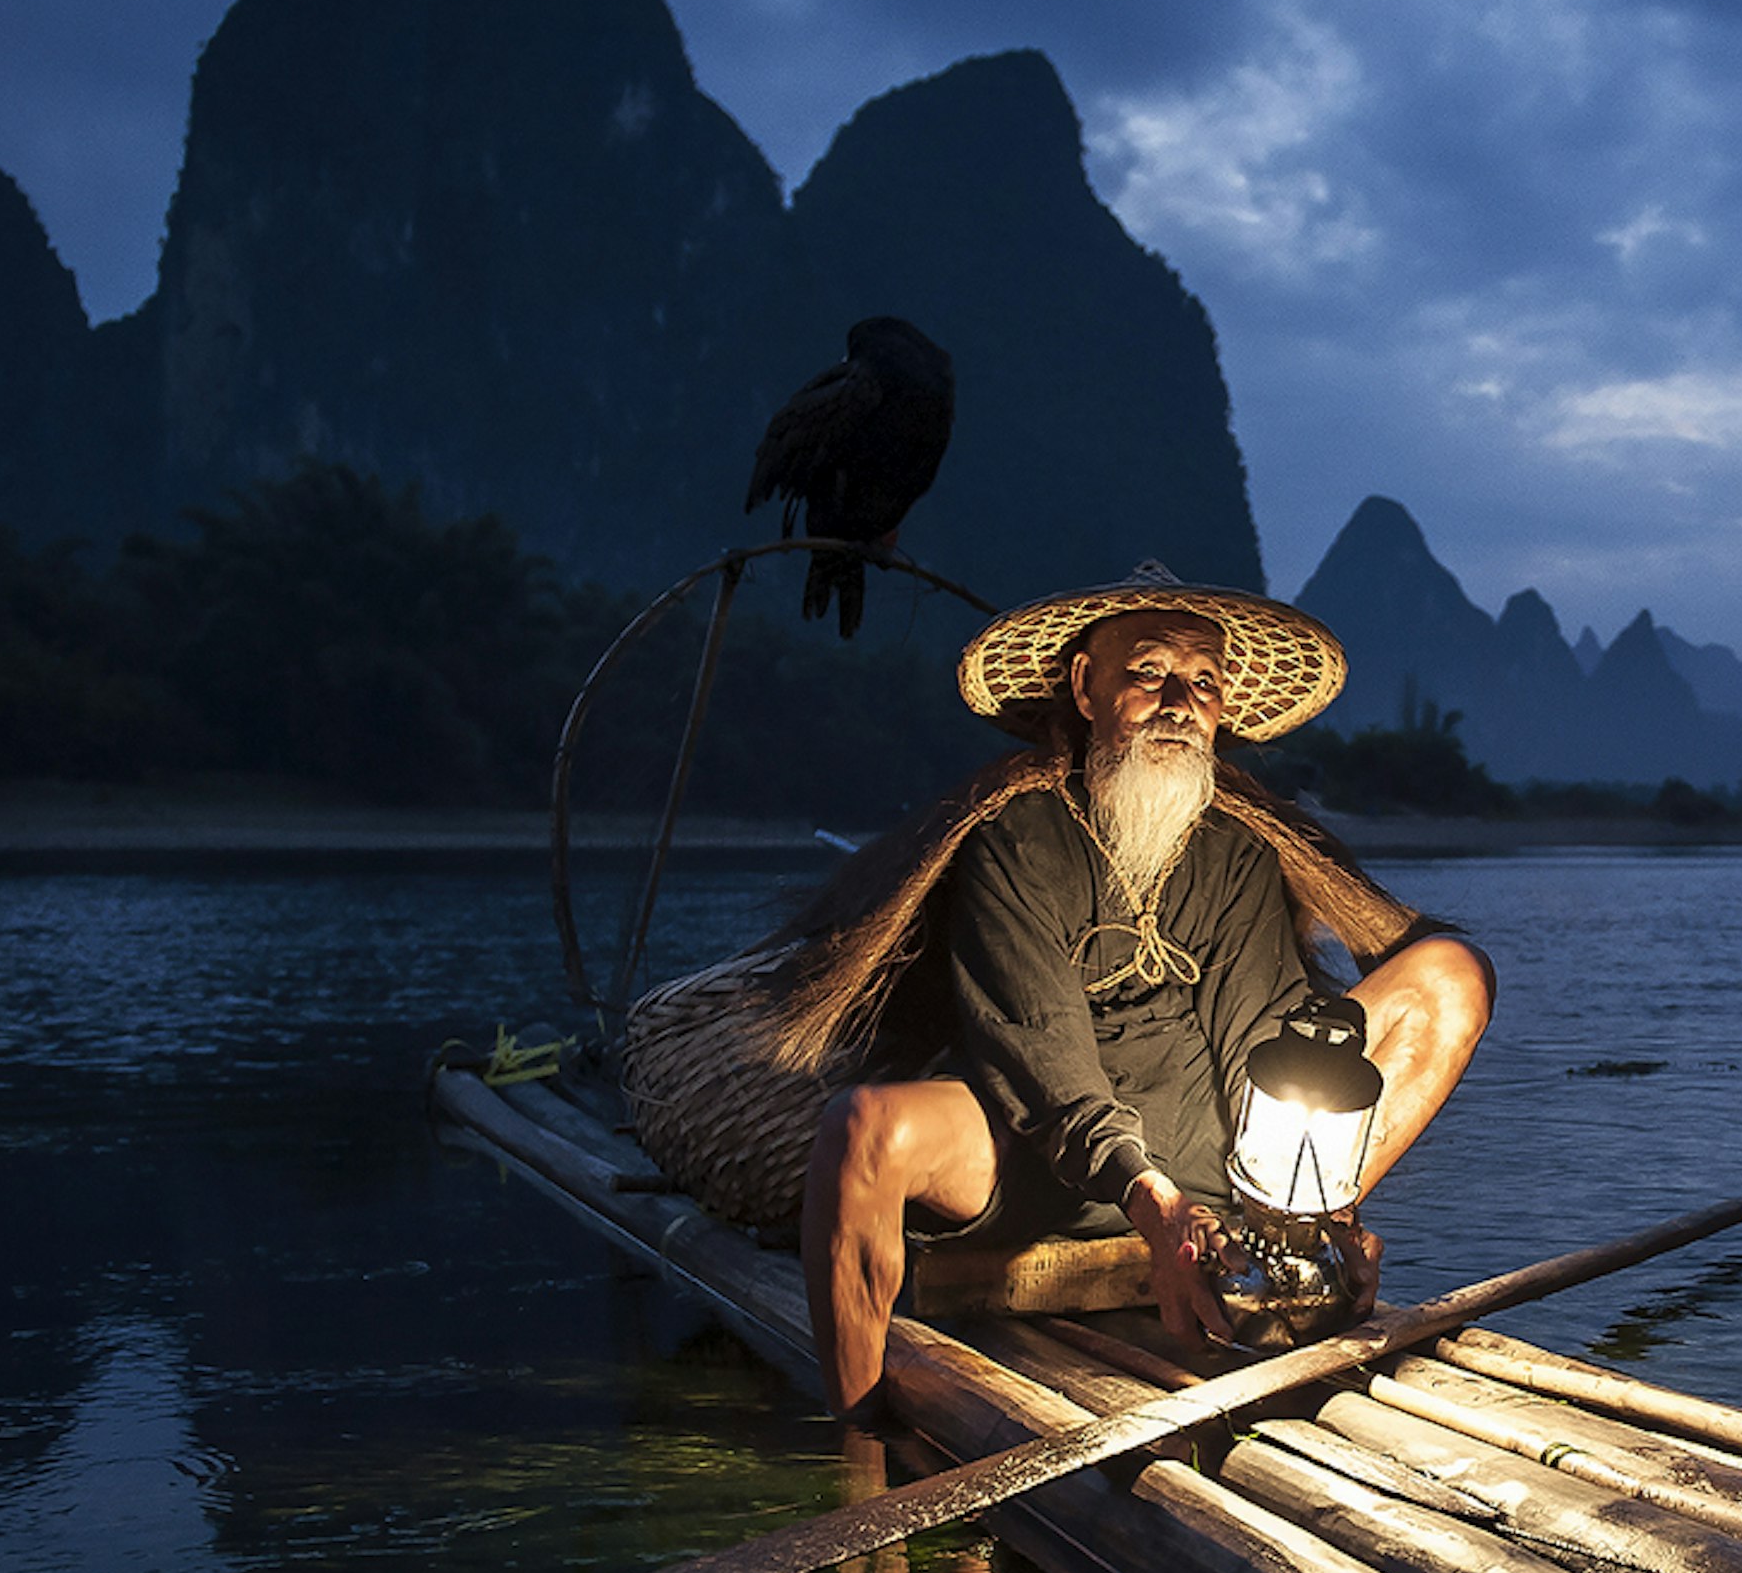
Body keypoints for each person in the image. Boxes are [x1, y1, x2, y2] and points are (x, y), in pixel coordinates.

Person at [617, 564, 1492, 1408]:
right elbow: (1041, 1054)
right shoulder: (1016, 834)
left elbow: (1258, 1039)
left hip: (1209, 1158)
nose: (1181, 703)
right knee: (864, 1131)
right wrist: (1150, 1203)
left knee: (1451, 977)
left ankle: (1284, 1255)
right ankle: (867, 1430)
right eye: (1149, 673)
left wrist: (1308, 1211)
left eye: (1204, 681)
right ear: (1084, 688)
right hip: (1037, 1153)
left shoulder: (1239, 847)